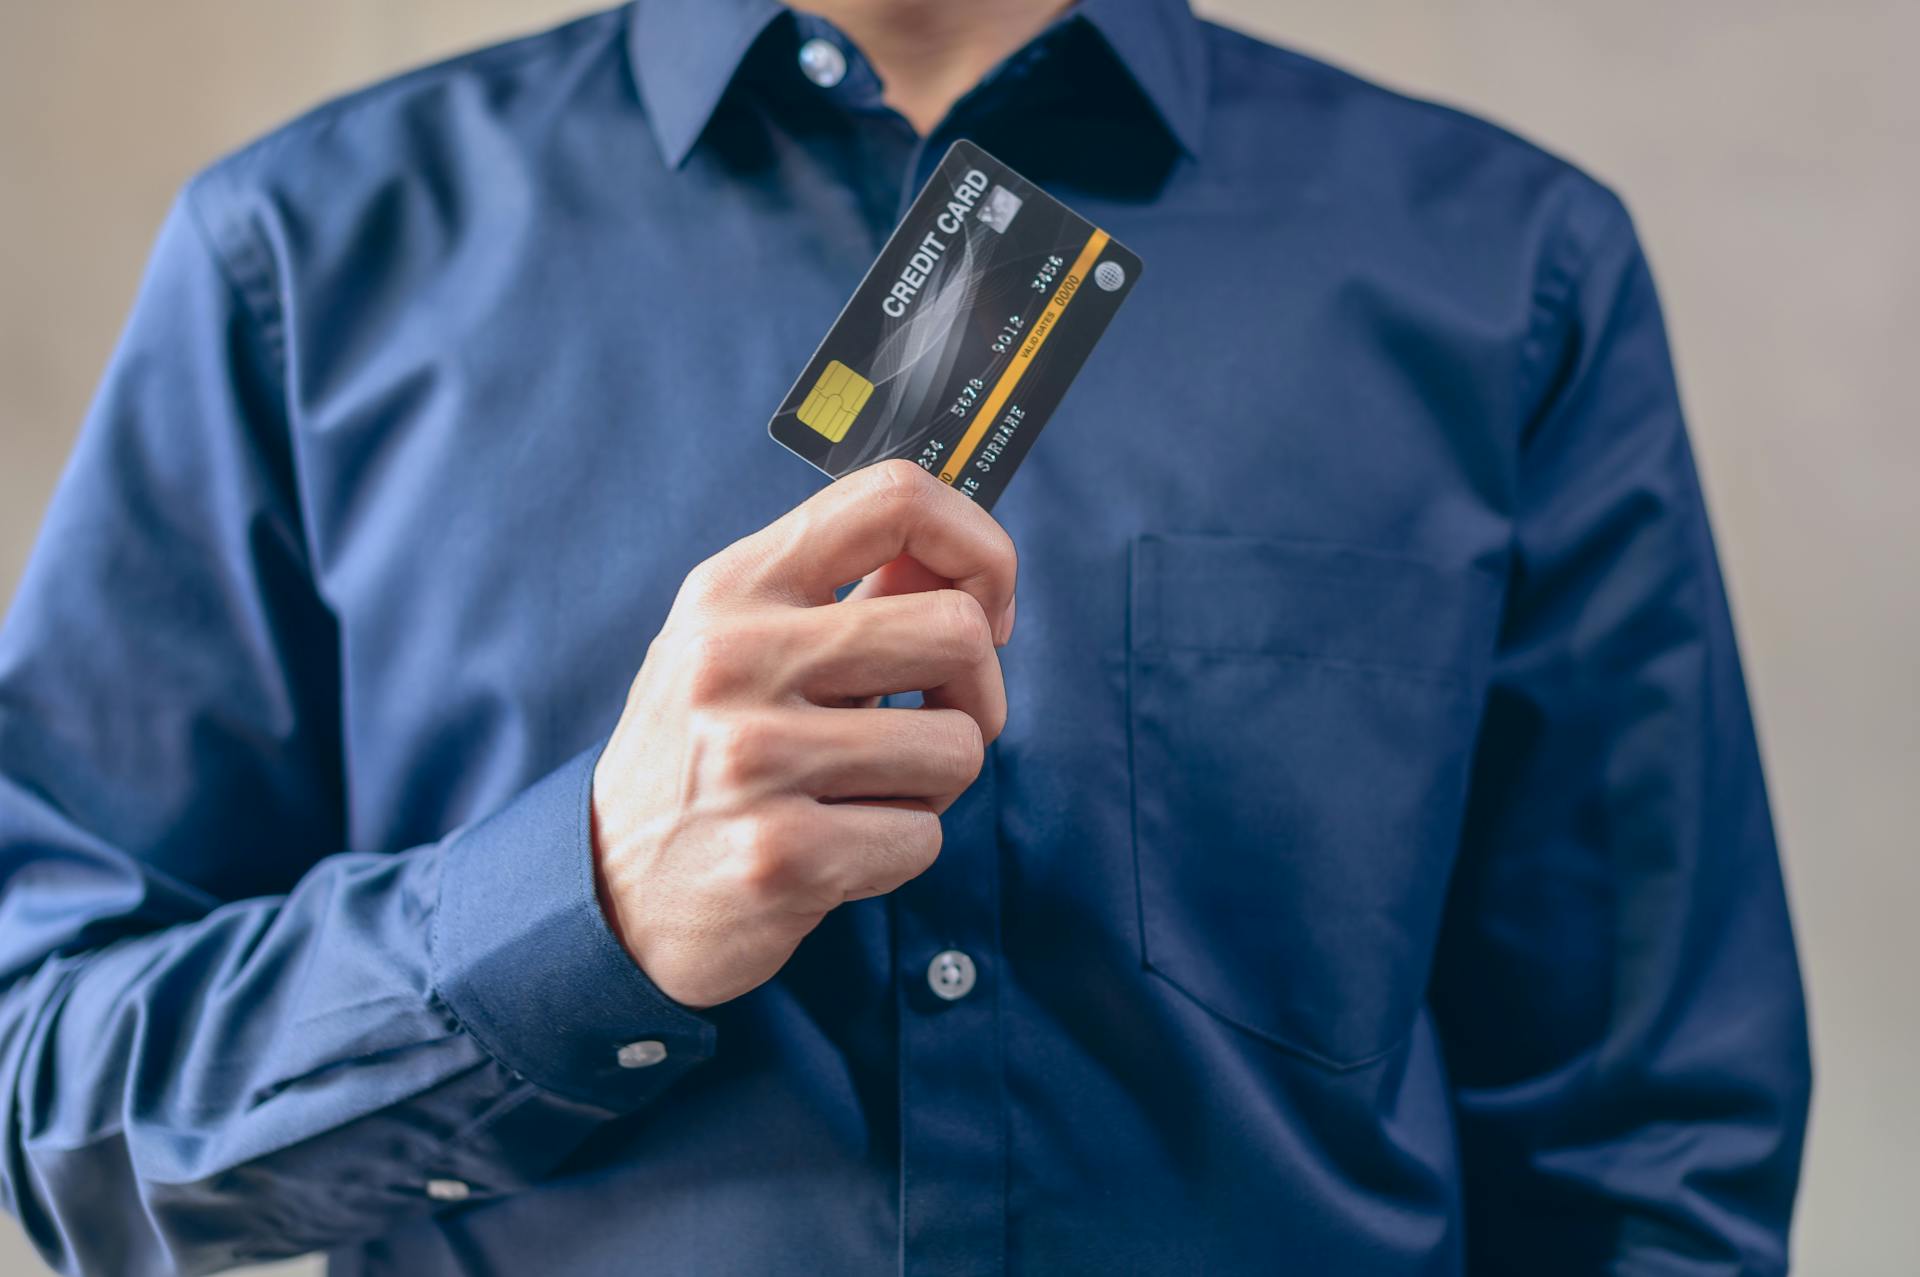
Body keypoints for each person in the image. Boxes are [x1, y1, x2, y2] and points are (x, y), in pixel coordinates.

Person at [0, 1, 1811, 1273]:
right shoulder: (305, 261)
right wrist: (584, 908)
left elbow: (1654, 1150)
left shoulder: (1508, 278)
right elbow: (61, 1101)